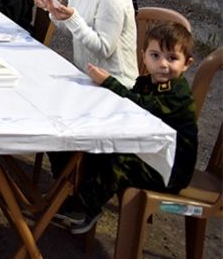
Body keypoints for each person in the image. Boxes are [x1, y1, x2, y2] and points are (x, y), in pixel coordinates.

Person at [55, 22, 198, 234]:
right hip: (151, 153)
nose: (163, 64)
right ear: (144, 56)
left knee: (119, 160)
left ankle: (85, 208)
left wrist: (109, 82)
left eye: (172, 58)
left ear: (187, 64)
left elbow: (140, 106)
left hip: (169, 169)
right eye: (155, 55)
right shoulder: (147, 82)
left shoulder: (177, 93)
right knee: (97, 147)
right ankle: (72, 195)